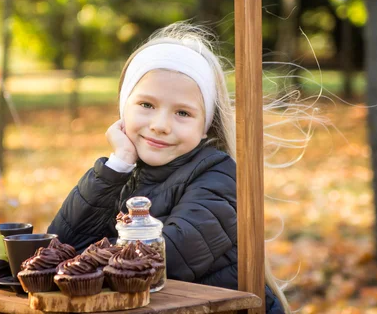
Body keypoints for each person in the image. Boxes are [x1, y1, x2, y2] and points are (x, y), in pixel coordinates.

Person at [48, 22, 290, 313]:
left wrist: (86, 258)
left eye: (183, 112)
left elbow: (161, 262)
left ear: (205, 126)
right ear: (124, 108)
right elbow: (61, 247)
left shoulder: (219, 178)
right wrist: (118, 164)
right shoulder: (122, 172)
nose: (160, 125)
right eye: (147, 105)